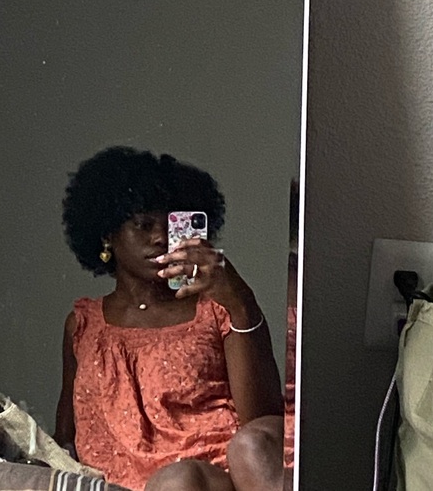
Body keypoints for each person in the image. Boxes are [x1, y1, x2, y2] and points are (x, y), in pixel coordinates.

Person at [54, 147, 284, 491]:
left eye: (171, 226)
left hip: (211, 477)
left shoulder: (217, 310)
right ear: (107, 235)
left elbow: (261, 427)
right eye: (143, 225)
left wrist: (240, 301)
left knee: (180, 480)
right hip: (118, 483)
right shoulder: (83, 326)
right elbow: (65, 437)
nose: (160, 238)